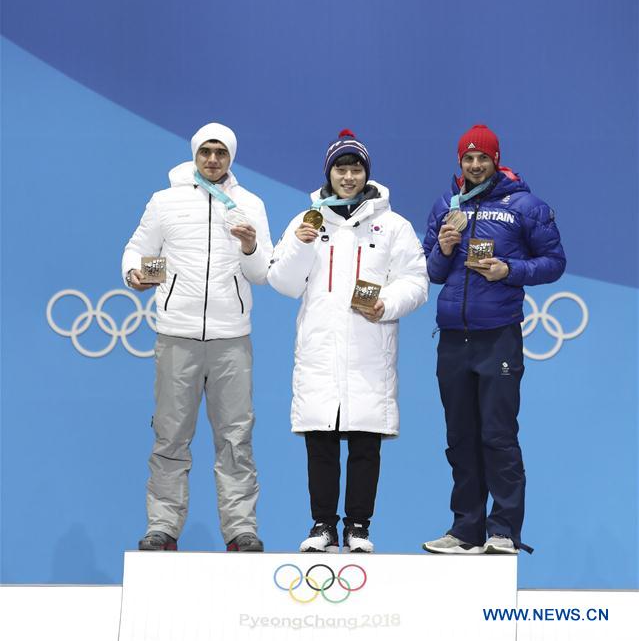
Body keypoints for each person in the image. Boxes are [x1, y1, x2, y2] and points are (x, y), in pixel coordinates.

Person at [268, 130, 428, 553]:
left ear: (366, 174)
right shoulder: (307, 221)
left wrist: (387, 303)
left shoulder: (392, 226)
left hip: (368, 349)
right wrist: (300, 246)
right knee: (320, 441)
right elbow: (283, 282)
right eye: (341, 169)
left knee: (364, 442)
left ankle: (358, 527)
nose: (348, 176)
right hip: (320, 350)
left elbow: (416, 281)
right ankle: (323, 526)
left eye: (356, 169)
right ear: (329, 174)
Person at [122, 122, 273, 552]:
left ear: (231, 157)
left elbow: (262, 272)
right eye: (206, 151)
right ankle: (163, 526)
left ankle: (241, 529)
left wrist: (250, 246)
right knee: (170, 436)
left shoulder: (249, 204)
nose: (212, 159)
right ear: (194, 153)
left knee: (236, 439)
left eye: (220, 152)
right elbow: (136, 249)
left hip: (231, 338)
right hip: (177, 335)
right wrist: (132, 273)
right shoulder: (165, 201)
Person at [422, 124, 566, 555]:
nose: (475, 165)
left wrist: (510, 270)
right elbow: (432, 272)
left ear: (495, 159)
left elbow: (554, 261)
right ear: (459, 162)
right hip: (453, 338)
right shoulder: (447, 204)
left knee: (498, 436)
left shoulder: (524, 205)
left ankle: (503, 530)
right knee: (460, 438)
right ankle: (465, 529)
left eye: (482, 157)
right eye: (468, 158)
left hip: (498, 335)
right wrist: (444, 248)